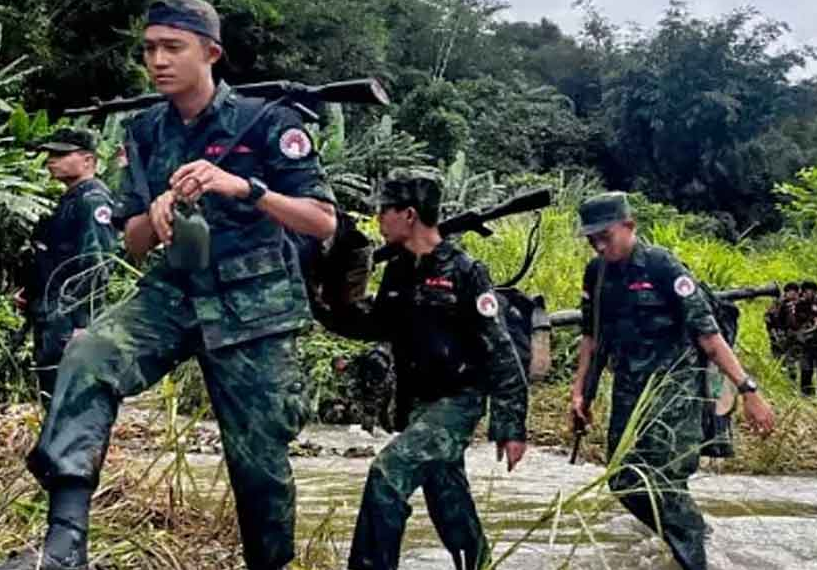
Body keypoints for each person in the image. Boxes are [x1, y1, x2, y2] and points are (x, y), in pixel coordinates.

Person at [13, 2, 338, 569]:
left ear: (210, 53)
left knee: (258, 464)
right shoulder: (144, 132)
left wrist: (243, 187)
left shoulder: (269, 122)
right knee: (91, 352)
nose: (157, 60)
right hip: (173, 292)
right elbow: (132, 240)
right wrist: (156, 212)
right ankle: (65, 543)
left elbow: (322, 220)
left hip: (253, 305)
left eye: (173, 47)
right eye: (149, 48)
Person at [323, 173, 529, 570]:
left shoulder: (466, 272)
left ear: (409, 215)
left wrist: (511, 426)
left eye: (385, 210)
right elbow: (377, 325)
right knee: (448, 501)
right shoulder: (400, 270)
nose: (378, 218)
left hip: (458, 402)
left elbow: (501, 351)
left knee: (387, 475)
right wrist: (330, 304)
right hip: (419, 403)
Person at [569, 192, 776, 570]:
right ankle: (692, 531)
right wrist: (581, 389)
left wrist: (748, 390)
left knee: (663, 479)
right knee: (623, 480)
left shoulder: (662, 266)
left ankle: (693, 555)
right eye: (591, 239)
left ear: (629, 227)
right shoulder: (596, 274)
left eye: (606, 236)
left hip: (675, 389)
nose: (599, 245)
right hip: (629, 390)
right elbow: (591, 337)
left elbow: (709, 336)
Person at [11, 128, 117, 407]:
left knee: (68, 395)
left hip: (68, 318)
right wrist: (30, 291)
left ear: (88, 160)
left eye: (61, 154)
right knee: (52, 389)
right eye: (50, 154)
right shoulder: (70, 199)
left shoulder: (91, 200)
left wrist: (83, 323)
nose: (51, 160)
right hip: (52, 312)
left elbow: (96, 263)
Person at [793, 280, 817, 396]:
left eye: (812, 291)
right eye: (807, 291)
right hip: (805, 341)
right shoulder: (799, 304)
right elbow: (798, 320)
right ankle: (805, 393)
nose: (809, 293)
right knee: (806, 369)